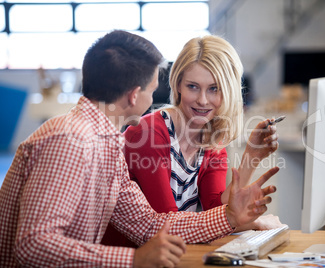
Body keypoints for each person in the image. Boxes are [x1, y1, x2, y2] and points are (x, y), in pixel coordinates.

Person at [0, 30, 280, 268]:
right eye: (152, 90)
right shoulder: (70, 140)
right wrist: (132, 260)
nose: (154, 100)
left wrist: (230, 215)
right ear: (135, 95)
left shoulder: (108, 144)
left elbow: (147, 225)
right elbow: (33, 245)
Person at [101, 35, 283, 247]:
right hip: (130, 257)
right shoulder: (150, 134)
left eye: (214, 88)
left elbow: (214, 209)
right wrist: (253, 222)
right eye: (193, 87)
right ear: (178, 85)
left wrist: (251, 156)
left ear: (228, 92)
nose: (203, 100)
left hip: (171, 255)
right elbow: (168, 225)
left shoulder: (212, 141)